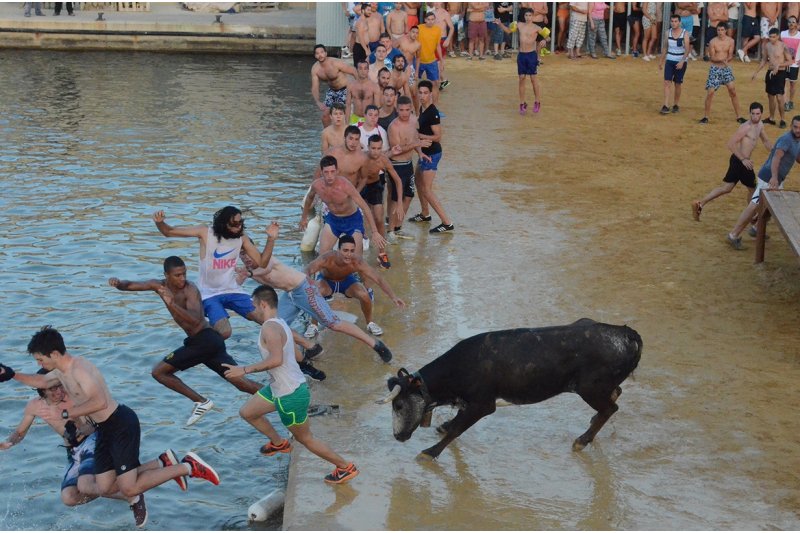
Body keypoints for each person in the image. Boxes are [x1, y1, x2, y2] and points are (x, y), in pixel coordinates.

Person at [0, 327, 221, 529]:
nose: (39, 365)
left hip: (120, 424)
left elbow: (100, 403)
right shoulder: (60, 372)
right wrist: (11, 374)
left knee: (128, 488)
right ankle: (162, 463)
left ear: (54, 354)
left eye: (40, 359)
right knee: (105, 487)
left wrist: (65, 414)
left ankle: (188, 466)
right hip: (104, 429)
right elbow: (40, 382)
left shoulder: (80, 370)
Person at [221, 285, 359, 484]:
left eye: (254, 306)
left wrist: (244, 369)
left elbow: (276, 360)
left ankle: (345, 467)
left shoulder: (269, 328)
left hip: (290, 395)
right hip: (280, 387)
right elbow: (297, 356)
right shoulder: (281, 324)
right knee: (248, 412)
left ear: (263, 304)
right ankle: (279, 443)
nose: (252, 310)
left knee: (306, 439)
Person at [108, 256, 263, 426]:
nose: (182, 278)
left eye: (184, 274)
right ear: (166, 275)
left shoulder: (190, 290)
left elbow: (196, 321)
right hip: (207, 343)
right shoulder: (159, 286)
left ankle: (201, 402)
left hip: (204, 340)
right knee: (239, 382)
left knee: (159, 372)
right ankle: (278, 395)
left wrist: (172, 304)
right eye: (177, 275)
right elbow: (131, 285)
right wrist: (118, 283)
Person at [0, 371, 136, 514]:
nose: (59, 391)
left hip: (92, 442)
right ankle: (122, 489)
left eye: (61, 385)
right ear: (42, 389)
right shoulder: (35, 406)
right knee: (69, 498)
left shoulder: (75, 399)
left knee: (86, 485)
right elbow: (20, 432)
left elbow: (94, 426)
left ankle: (130, 494)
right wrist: (8, 443)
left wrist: (80, 426)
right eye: (53, 388)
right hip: (73, 451)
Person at [152, 206, 277, 341]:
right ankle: (200, 338)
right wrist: (160, 222)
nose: (239, 227)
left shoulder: (242, 238)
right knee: (225, 332)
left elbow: (262, 262)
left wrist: (271, 239)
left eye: (240, 223)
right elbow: (169, 231)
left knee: (266, 319)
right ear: (223, 224)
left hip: (232, 290)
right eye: (234, 224)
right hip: (208, 294)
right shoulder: (205, 233)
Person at [240, 255, 394, 361]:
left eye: (247, 253)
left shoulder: (265, 260)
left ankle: (376, 345)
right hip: (290, 294)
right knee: (275, 326)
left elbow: (266, 269)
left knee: (334, 324)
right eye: (241, 254)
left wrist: (248, 273)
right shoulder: (249, 271)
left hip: (303, 289)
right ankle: (306, 357)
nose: (246, 257)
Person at [306, 235, 406, 335]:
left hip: (346, 281)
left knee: (364, 294)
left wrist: (394, 297)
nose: (349, 254)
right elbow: (308, 270)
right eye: (345, 250)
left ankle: (370, 323)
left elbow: (378, 279)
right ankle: (313, 325)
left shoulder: (357, 261)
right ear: (338, 250)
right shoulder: (327, 258)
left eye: (352, 251)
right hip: (327, 281)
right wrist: (310, 283)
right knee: (315, 292)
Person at [726, 115, 800, 249]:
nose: (797, 130)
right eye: (795, 127)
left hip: (777, 179)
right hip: (769, 178)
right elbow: (776, 158)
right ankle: (733, 235)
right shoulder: (786, 139)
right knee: (754, 206)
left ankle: (756, 228)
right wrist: (774, 177)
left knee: (774, 206)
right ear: (791, 126)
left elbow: (797, 156)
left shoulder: (797, 140)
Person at [692, 102, 772, 221]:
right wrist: (743, 159)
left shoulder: (760, 125)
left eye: (757, 114)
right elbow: (730, 143)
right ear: (749, 113)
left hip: (740, 161)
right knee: (753, 189)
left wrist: (775, 153)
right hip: (741, 162)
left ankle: (700, 203)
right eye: (753, 114)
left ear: (761, 114)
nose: (755, 116)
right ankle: (753, 214)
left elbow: (765, 141)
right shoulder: (746, 127)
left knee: (727, 188)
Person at [302, 155, 387, 257]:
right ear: (321, 173)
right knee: (322, 256)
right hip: (333, 220)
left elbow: (365, 207)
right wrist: (304, 218)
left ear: (337, 171)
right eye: (326, 172)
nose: (329, 176)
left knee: (356, 259)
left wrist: (375, 232)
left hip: (353, 221)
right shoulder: (317, 185)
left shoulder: (345, 185)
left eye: (332, 172)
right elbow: (309, 198)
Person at [409, 80, 453, 234]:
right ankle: (425, 214)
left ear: (430, 94)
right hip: (425, 153)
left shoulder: (433, 112)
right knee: (418, 181)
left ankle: (447, 223)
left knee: (427, 190)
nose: (422, 96)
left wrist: (418, 135)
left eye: (425, 93)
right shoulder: (423, 108)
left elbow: (438, 137)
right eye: (420, 93)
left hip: (432, 154)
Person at [387, 95, 431, 238]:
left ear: (411, 108)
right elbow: (397, 149)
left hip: (408, 164)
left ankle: (398, 227)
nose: (404, 113)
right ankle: (391, 231)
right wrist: (417, 144)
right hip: (396, 165)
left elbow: (415, 138)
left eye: (407, 110)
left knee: (409, 196)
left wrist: (420, 153)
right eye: (401, 110)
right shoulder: (393, 127)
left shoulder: (413, 120)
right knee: (396, 199)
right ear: (397, 109)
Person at [361, 133, 406, 267]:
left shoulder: (383, 160)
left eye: (378, 148)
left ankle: (382, 253)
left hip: (375, 187)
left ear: (382, 148)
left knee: (379, 219)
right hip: (360, 187)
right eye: (373, 148)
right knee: (362, 219)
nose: (376, 151)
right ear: (368, 147)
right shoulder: (361, 158)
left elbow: (398, 180)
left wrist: (399, 203)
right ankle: (359, 251)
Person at [699, 24, 744, 124]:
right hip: (715, 68)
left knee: (733, 91)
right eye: (718, 30)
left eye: (722, 30)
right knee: (710, 93)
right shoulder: (713, 42)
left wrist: (727, 60)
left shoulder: (731, 41)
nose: (720, 32)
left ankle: (739, 116)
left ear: (726, 30)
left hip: (726, 68)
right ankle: (706, 116)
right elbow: (712, 57)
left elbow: (730, 54)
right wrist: (722, 60)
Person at [502, 8, 543, 114]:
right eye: (526, 15)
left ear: (533, 16)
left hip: (531, 55)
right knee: (521, 78)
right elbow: (508, 31)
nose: (528, 17)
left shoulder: (537, 27)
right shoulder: (519, 25)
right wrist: (499, 24)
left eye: (530, 15)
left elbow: (547, 37)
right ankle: (522, 103)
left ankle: (537, 101)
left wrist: (544, 40)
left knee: (533, 79)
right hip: (521, 55)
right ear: (524, 16)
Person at [751, 28, 793, 129]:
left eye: (774, 37)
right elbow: (764, 60)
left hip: (780, 73)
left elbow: (790, 61)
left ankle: (782, 119)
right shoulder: (767, 45)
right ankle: (771, 118)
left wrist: (779, 65)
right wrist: (756, 72)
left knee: (779, 97)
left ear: (778, 36)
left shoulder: (783, 46)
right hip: (770, 72)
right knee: (770, 96)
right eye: (770, 37)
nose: (771, 39)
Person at [311, 44, 358, 127]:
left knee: (342, 115)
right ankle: (327, 133)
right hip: (331, 91)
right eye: (317, 53)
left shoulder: (335, 63)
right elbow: (315, 87)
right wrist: (318, 102)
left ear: (326, 53)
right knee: (325, 116)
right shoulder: (315, 69)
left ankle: (345, 131)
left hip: (345, 89)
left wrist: (358, 88)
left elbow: (353, 71)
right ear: (315, 56)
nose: (320, 55)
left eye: (322, 52)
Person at [659, 15, 691, 115]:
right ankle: (666, 105)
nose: (673, 23)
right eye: (672, 21)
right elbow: (665, 47)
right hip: (670, 60)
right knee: (667, 82)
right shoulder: (667, 33)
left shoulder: (685, 33)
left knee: (677, 83)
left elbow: (687, 50)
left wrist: (682, 61)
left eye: (676, 21)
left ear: (679, 22)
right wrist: (661, 61)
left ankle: (676, 104)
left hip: (680, 61)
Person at [417, 10, 443, 104]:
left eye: (432, 19)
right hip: (418, 61)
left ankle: (434, 107)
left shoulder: (438, 30)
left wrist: (441, 60)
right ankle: (416, 105)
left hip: (431, 61)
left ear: (435, 20)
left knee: (435, 83)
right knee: (414, 83)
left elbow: (438, 46)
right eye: (428, 19)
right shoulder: (418, 28)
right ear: (425, 20)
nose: (430, 21)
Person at [780, 16, 800, 111]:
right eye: (789, 22)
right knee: (783, 83)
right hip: (784, 63)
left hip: (795, 63)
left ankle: (791, 101)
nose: (791, 23)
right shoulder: (782, 34)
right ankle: (786, 103)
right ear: (787, 23)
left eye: (793, 22)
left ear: (796, 24)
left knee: (792, 83)